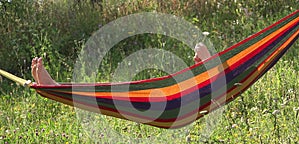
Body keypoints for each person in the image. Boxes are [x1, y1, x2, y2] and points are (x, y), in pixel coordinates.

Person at [32, 44, 211, 85]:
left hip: (183, 100)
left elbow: (222, 85)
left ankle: (58, 87)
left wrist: (210, 61)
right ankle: (59, 87)